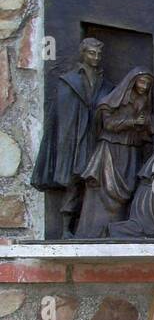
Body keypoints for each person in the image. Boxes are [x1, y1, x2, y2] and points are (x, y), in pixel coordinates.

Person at [31, 37, 109, 237]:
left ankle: (92, 227)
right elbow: (62, 114)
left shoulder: (104, 82)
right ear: (83, 54)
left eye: (99, 54)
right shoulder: (69, 81)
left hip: (97, 138)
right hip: (75, 139)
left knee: (95, 183)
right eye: (92, 53)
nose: (96, 57)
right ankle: (66, 228)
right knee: (74, 182)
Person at [75, 67, 154, 238]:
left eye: (148, 83)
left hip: (131, 149)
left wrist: (144, 125)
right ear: (132, 82)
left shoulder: (143, 101)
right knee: (106, 191)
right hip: (111, 150)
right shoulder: (113, 101)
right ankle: (96, 231)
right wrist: (132, 122)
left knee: (129, 187)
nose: (145, 86)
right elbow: (108, 123)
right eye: (142, 81)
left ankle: (119, 228)